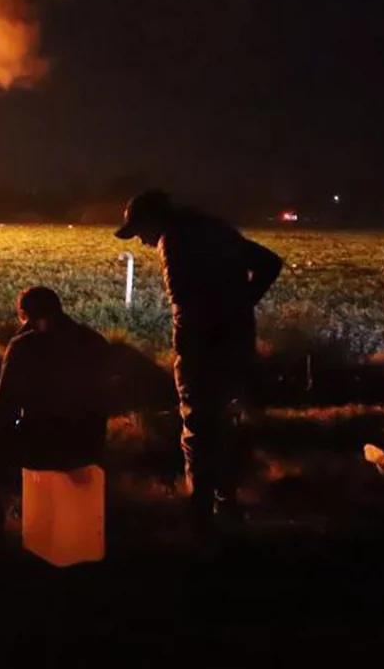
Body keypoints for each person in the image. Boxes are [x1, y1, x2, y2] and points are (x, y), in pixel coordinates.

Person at [114, 190, 282, 533]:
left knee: (198, 424)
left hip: (203, 349)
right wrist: (242, 304)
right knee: (227, 421)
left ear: (153, 220)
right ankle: (228, 503)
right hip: (236, 342)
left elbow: (185, 305)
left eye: (140, 231)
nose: (143, 241)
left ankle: (200, 509)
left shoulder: (173, 241)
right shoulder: (214, 229)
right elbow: (269, 262)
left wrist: (190, 343)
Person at [0, 286, 112, 541]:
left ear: (24, 316)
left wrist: (15, 345)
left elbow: (0, 416)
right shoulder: (95, 341)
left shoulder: (25, 346)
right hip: (87, 447)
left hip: (43, 449)